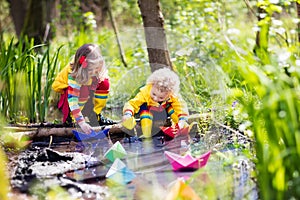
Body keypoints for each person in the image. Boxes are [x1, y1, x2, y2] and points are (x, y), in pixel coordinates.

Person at [52, 43, 115, 134]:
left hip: (85, 87)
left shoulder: (96, 70)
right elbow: (72, 101)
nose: (94, 72)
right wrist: (81, 123)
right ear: (83, 67)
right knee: (84, 90)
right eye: (90, 70)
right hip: (67, 97)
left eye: (96, 68)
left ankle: (94, 114)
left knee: (104, 83)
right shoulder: (75, 74)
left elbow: (98, 78)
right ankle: (73, 119)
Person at [122, 67, 189, 138]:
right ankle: (146, 135)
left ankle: (183, 128)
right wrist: (127, 114)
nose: (155, 98)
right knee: (145, 112)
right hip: (149, 113)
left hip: (164, 113)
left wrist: (182, 120)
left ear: (170, 94)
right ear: (151, 85)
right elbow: (132, 104)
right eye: (154, 94)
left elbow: (180, 106)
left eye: (161, 98)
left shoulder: (172, 96)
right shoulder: (145, 92)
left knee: (173, 110)